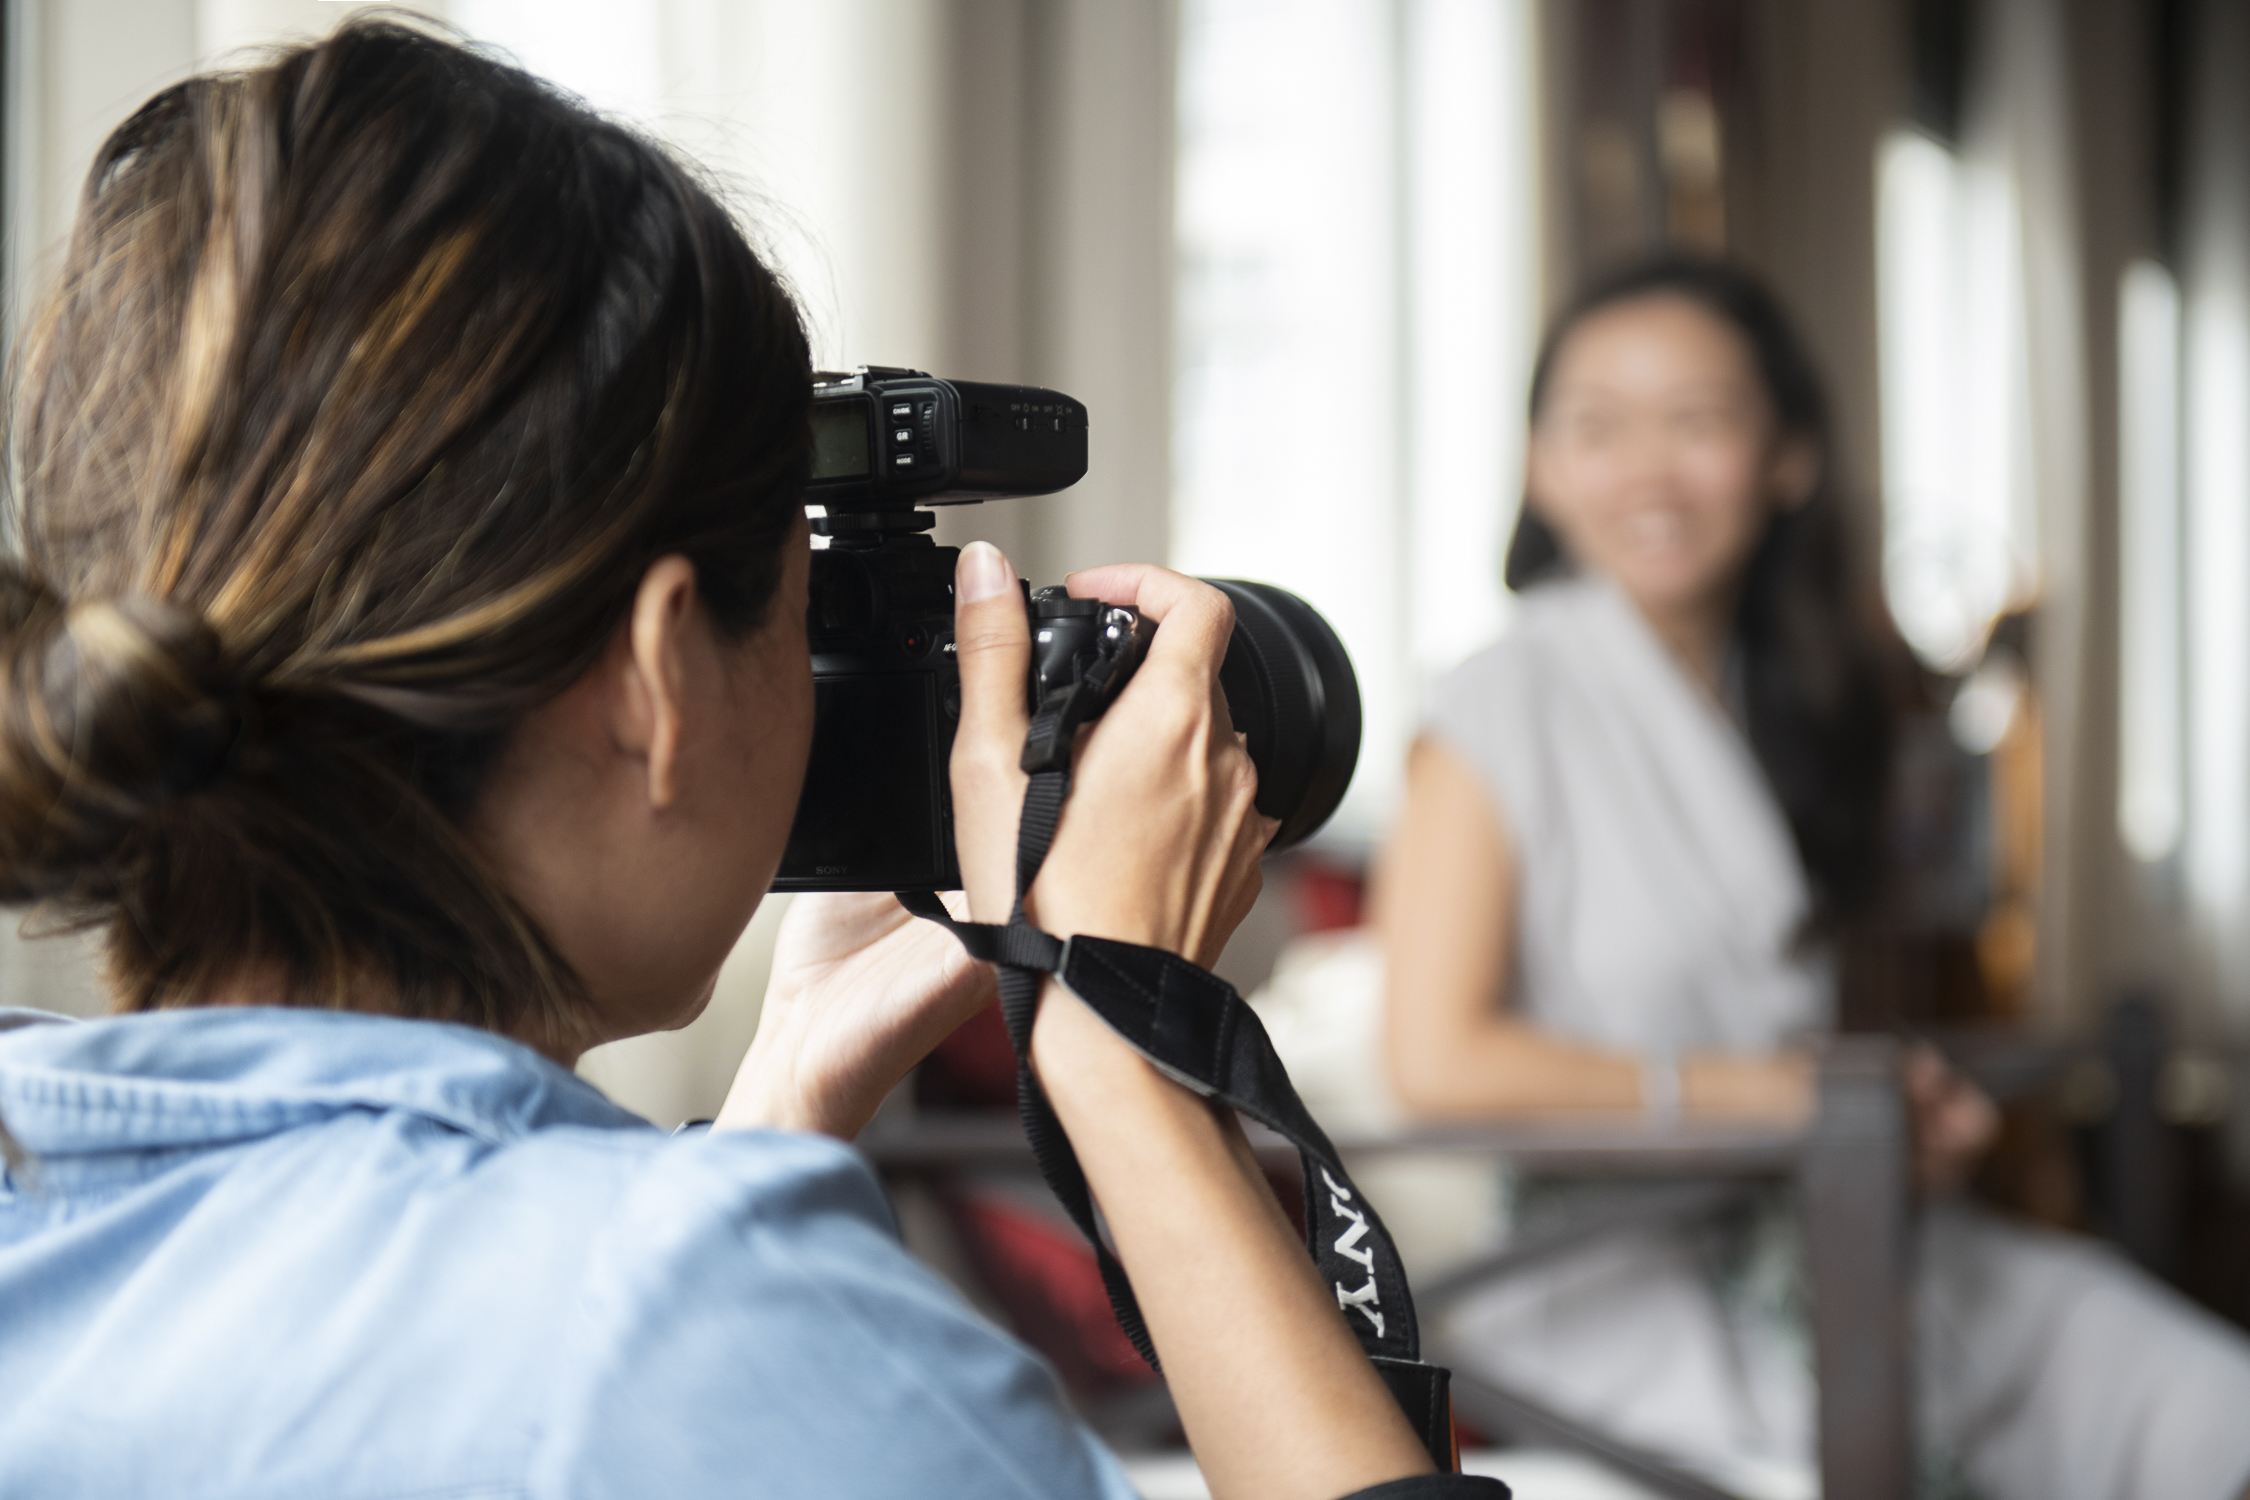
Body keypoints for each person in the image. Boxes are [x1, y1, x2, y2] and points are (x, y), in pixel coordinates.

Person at [0, 23, 1470, 1499]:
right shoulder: (700, 1329)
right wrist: (1121, 1046)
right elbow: (631, 1363)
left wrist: (783, 1101)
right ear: (657, 680)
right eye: (803, 602)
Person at [1375, 255, 2250, 1500]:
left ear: (1787, 458)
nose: (1647, 469)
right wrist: (1788, 1102)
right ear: (1541, 467)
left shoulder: (1794, 701)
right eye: (1597, 427)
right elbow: (1436, 1061)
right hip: (1614, 1275)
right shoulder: (1498, 702)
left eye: (1697, 420)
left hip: (1832, 1216)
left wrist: (1887, 1119)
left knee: (2192, 1395)